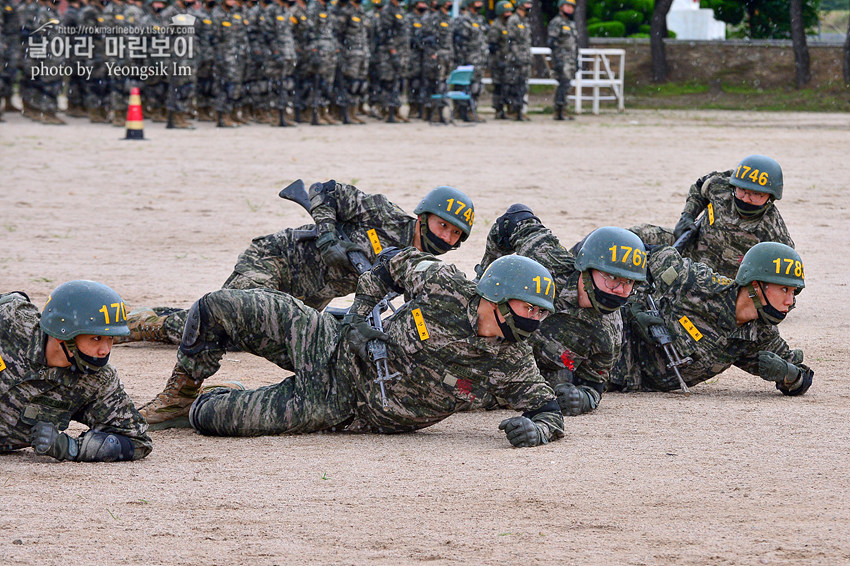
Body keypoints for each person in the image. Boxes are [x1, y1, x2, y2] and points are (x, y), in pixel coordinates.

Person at [141, 248, 564, 448]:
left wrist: (539, 430)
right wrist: (360, 318)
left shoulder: (512, 360)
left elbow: (548, 411)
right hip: (332, 342)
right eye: (529, 308)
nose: (535, 320)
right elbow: (388, 265)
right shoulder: (444, 284)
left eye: (540, 313)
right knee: (218, 306)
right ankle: (179, 395)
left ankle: (205, 401)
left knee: (212, 418)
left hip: (343, 407)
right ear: (497, 296)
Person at [122, 183, 474, 357]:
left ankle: (157, 317)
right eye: (443, 225)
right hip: (274, 259)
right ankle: (133, 325)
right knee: (228, 323)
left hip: (308, 300)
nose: (446, 236)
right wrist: (329, 235)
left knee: (241, 341)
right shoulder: (385, 214)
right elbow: (324, 191)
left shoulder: (418, 267)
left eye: (455, 234)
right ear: (425, 216)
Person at [476, 205, 646, 415]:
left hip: (515, 377)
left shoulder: (608, 333)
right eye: (611, 278)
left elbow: (594, 385)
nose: (620, 289)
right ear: (586, 267)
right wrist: (487, 276)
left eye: (628, 282)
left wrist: (581, 399)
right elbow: (515, 217)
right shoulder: (548, 260)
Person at [610, 242, 812, 395]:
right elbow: (645, 255)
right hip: (607, 347)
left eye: (794, 292)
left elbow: (802, 376)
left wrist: (788, 375)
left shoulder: (759, 336)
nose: (790, 301)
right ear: (756, 286)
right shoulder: (700, 283)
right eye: (784, 289)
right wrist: (634, 305)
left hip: (624, 382)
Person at [0, 281, 152, 462]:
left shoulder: (97, 382)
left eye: (110, 338)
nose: (105, 350)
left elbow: (137, 440)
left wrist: (71, 447)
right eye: (96, 338)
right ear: (63, 334)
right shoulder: (12, 320)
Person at [630, 155, 795, 279]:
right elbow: (699, 187)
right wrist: (687, 216)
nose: (745, 198)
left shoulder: (774, 231)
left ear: (770, 198)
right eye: (742, 191)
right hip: (689, 249)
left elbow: (788, 280)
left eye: (755, 194)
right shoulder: (720, 186)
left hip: (717, 281)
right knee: (636, 235)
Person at [547, 0, 577, 121]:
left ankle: (564, 109)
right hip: (561, 58)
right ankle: (558, 110)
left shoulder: (571, 23)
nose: (570, 9)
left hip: (571, 59)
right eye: (567, 6)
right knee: (563, 83)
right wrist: (557, 59)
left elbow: (574, 43)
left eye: (572, 7)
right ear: (561, 7)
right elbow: (552, 42)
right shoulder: (556, 22)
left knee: (567, 85)